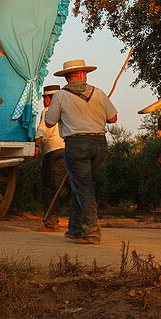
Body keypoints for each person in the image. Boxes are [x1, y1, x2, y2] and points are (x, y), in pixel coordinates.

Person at [42, 59, 117, 245]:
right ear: (84, 74)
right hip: (100, 144)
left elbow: (49, 122)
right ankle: (75, 230)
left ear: (67, 77)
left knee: (83, 187)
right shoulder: (98, 92)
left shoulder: (60, 95)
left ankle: (91, 233)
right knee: (80, 184)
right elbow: (113, 118)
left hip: (76, 145)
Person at [36, 84, 68, 232]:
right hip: (69, 151)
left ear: (49, 99)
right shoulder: (67, 110)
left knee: (50, 188)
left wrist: (36, 146)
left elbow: (42, 130)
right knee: (74, 188)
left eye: (44, 98)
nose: (44, 102)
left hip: (53, 152)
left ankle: (51, 222)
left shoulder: (47, 111)